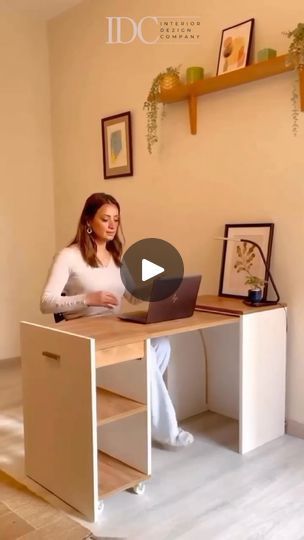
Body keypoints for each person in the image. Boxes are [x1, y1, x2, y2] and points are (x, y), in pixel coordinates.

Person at [40, 192, 193, 448]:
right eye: (105, 219)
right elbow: (46, 302)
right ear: (88, 220)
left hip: (116, 328)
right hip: (85, 333)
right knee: (149, 355)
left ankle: (140, 409)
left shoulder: (118, 256)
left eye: (116, 219)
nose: (112, 225)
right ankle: (167, 430)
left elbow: (131, 297)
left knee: (162, 344)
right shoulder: (68, 256)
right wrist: (88, 299)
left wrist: (157, 287)